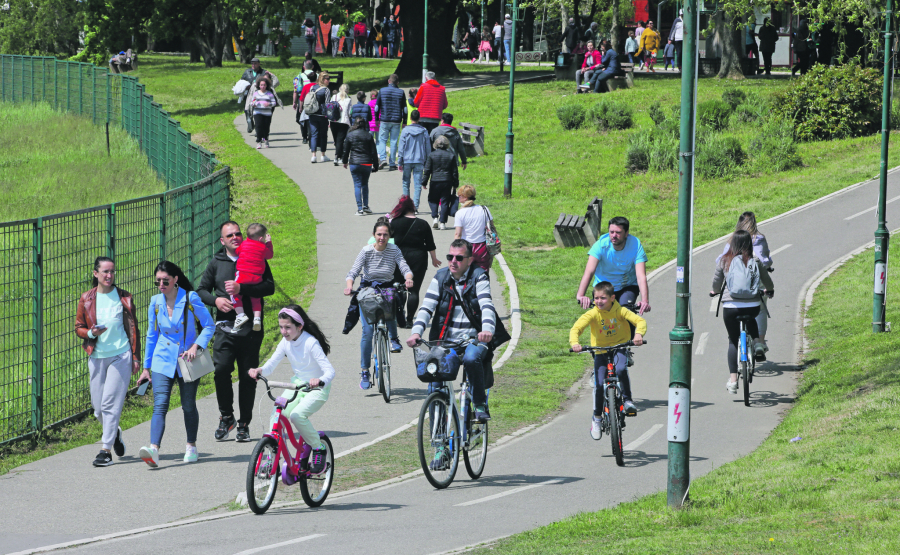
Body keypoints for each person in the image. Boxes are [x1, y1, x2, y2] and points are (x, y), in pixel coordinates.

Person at [406, 239, 510, 423]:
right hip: (445, 342)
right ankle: (439, 446)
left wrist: (486, 330)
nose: (453, 261)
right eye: (450, 257)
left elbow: (486, 305)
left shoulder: (479, 276)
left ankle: (478, 403)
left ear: (470, 260)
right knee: (435, 386)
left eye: (459, 258)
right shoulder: (440, 277)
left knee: (471, 359)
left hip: (474, 339)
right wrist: (416, 332)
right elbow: (426, 307)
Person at [197, 221, 275, 442]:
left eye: (238, 233)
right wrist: (216, 300)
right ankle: (227, 417)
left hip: (251, 328)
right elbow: (201, 290)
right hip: (225, 328)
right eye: (229, 235)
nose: (235, 237)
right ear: (222, 241)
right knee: (221, 370)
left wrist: (243, 289)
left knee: (247, 376)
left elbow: (269, 287)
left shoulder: (255, 255)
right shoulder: (217, 263)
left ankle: (244, 423)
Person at [137, 261, 215, 467]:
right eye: (158, 281)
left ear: (175, 279)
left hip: (186, 360)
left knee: (188, 405)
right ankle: (154, 450)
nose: (161, 285)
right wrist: (146, 367)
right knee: (159, 404)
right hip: (162, 360)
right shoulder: (155, 302)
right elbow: (151, 335)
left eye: (165, 281)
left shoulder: (190, 298)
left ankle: (191, 445)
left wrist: (196, 346)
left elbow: (208, 326)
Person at [248, 305, 334, 474]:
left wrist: (320, 380)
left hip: (316, 388)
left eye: (288, 327)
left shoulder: (310, 342)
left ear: (299, 326)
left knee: (297, 415)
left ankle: (318, 448)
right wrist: (260, 370)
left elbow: (330, 371)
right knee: (277, 414)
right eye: (281, 327)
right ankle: (272, 457)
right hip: (297, 386)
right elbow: (271, 364)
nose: (283, 331)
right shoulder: (285, 342)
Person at [75, 257, 141, 467]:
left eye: (112, 272)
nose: (109, 275)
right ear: (95, 273)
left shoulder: (124, 298)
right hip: (96, 357)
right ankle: (115, 434)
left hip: (120, 355)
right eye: (104, 272)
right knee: (98, 409)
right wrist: (91, 332)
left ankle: (105, 450)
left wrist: (135, 356)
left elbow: (133, 329)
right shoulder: (87, 298)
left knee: (110, 404)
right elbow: (78, 327)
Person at [345, 221, 415, 390]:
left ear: (389, 236)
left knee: (392, 301)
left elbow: (404, 266)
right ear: (374, 235)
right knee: (367, 332)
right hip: (368, 290)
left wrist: (408, 277)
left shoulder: (394, 250)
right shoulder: (367, 251)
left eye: (385, 234)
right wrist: (349, 285)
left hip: (387, 288)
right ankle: (364, 371)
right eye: (379, 234)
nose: (382, 237)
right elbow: (353, 271)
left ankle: (393, 338)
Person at [570, 281, 646, 436]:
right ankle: (597, 418)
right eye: (596, 298)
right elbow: (576, 328)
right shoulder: (593, 313)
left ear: (613, 298)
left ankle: (627, 401)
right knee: (598, 384)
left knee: (620, 369)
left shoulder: (620, 311)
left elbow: (640, 321)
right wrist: (575, 343)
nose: (599, 301)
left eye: (603, 298)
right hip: (600, 351)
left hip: (619, 346)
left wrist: (638, 334)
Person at [710, 230, 775, 395]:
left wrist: (714, 291)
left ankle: (733, 381)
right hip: (752, 304)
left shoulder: (725, 260)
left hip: (731, 307)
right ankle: (757, 342)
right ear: (749, 244)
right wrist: (770, 290)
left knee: (733, 341)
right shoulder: (754, 260)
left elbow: (716, 282)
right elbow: (766, 280)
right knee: (752, 317)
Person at [717, 212, 773, 358]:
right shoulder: (759, 238)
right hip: (756, 278)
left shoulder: (732, 238)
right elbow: (765, 259)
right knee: (760, 309)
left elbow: (721, 259)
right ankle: (759, 342)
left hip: (736, 285)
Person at [576, 216, 650, 314]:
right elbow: (589, 272)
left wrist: (645, 301)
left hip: (627, 286)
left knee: (625, 312)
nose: (614, 235)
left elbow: (641, 276)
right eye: (611, 232)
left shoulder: (635, 245)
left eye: (618, 232)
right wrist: (581, 295)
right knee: (602, 318)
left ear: (626, 233)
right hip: (604, 287)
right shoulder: (600, 245)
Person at [389, 196, 441, 325]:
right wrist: (434, 259)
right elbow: (430, 244)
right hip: (419, 258)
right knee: (414, 290)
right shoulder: (423, 223)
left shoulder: (394, 222)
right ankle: (410, 320)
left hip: (398, 257)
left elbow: (387, 240)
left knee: (398, 287)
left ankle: (399, 318)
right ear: (412, 208)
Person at [231, 223, 274, 333]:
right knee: (256, 297)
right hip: (257, 278)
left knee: (234, 293)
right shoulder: (263, 247)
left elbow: (237, 251)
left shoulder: (244, 244)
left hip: (243, 276)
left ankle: (240, 315)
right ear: (261, 238)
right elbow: (269, 255)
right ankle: (257, 318)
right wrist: (268, 243)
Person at [342, 116, 380, 215]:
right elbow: (373, 152)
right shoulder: (368, 135)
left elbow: (346, 150)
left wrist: (344, 161)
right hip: (367, 163)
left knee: (357, 185)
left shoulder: (350, 135)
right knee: (365, 184)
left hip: (354, 163)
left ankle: (359, 209)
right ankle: (366, 206)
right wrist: (376, 165)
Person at [453, 184, 495, 272]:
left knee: (465, 274)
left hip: (466, 248)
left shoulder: (460, 213)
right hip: (482, 247)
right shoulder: (484, 209)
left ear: (465, 197)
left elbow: (458, 234)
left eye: (459, 195)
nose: (458, 197)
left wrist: (455, 250)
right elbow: (492, 226)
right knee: (483, 274)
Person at [397, 110, 431, 211]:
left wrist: (400, 161)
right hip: (419, 160)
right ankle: (415, 207)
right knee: (417, 185)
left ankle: (406, 206)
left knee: (406, 183)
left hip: (407, 160)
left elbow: (401, 147)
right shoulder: (424, 131)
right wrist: (427, 161)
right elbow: (428, 147)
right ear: (419, 118)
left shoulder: (405, 130)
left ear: (410, 118)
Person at [424, 135, 458, 231]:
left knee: (432, 199)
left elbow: (427, 170)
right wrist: (455, 183)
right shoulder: (451, 155)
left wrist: (424, 182)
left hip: (435, 180)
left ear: (435, 144)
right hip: (447, 181)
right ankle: (442, 222)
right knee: (445, 201)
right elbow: (454, 171)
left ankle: (435, 217)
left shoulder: (431, 155)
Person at [376, 73, 407, 170]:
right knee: (393, 141)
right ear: (397, 82)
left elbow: (377, 107)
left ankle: (383, 158)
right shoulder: (401, 92)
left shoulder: (382, 91)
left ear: (389, 81)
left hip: (384, 119)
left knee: (382, 140)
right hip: (396, 120)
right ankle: (392, 163)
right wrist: (405, 121)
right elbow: (405, 109)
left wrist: (377, 118)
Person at [306, 72, 333, 164]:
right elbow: (327, 105)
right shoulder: (326, 90)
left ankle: (313, 155)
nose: (329, 81)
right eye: (327, 79)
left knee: (314, 134)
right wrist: (329, 118)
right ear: (323, 79)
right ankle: (323, 155)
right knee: (323, 135)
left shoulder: (312, 87)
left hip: (312, 114)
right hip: (322, 115)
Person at [292, 61, 317, 144]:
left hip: (302, 99)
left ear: (303, 67)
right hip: (315, 99)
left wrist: (294, 102)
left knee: (301, 118)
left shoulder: (299, 77)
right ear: (313, 66)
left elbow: (295, 90)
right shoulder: (318, 76)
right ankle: (312, 134)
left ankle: (304, 137)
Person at [251, 76, 278, 149]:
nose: (263, 86)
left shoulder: (269, 94)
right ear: (259, 85)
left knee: (266, 127)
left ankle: (266, 139)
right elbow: (252, 102)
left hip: (267, 113)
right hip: (257, 112)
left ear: (267, 85)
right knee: (258, 126)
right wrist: (254, 104)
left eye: (264, 85)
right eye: (261, 85)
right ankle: (258, 141)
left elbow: (274, 103)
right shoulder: (256, 93)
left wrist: (269, 104)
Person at [240, 58, 266, 133]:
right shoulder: (247, 72)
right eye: (252, 63)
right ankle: (250, 123)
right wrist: (245, 87)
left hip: (259, 96)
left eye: (255, 63)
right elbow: (241, 82)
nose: (253, 65)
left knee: (257, 113)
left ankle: (258, 130)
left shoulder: (263, 72)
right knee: (247, 110)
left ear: (259, 64)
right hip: (248, 95)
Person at [330, 83, 353, 167]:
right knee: (340, 140)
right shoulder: (348, 99)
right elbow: (350, 113)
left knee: (336, 140)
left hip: (333, 121)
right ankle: (337, 156)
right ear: (347, 90)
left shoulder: (334, 97)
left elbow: (330, 108)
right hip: (343, 122)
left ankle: (339, 156)